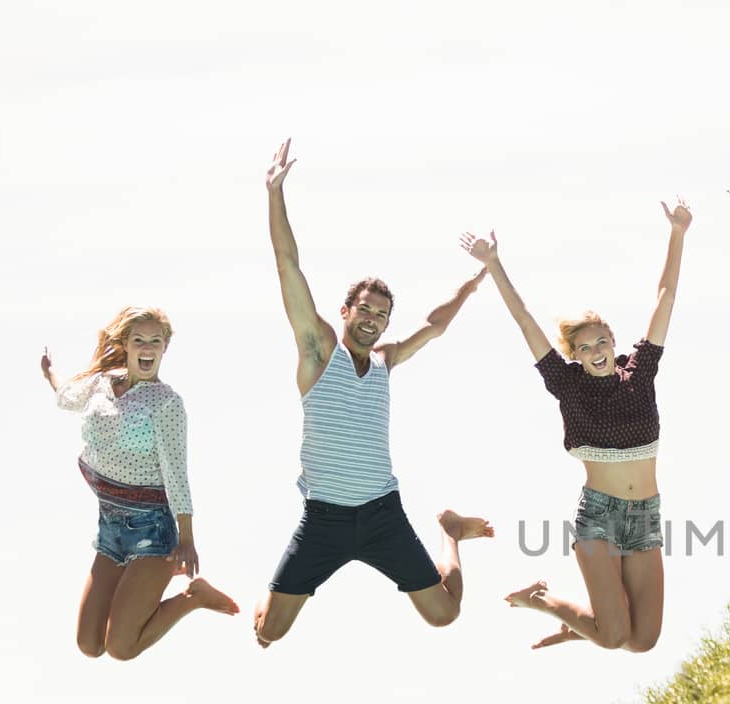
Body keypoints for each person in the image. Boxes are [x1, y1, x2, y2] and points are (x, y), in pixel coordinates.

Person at [254, 139, 492, 648]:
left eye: (381, 314)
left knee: (444, 615)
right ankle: (270, 605)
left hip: (383, 513)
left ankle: (448, 532)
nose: (372, 320)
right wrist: (275, 193)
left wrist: (472, 286)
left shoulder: (386, 360)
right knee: (267, 633)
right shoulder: (318, 352)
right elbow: (287, 265)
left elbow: (434, 325)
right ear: (345, 311)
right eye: (364, 310)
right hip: (324, 519)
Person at [459, 198, 691, 652]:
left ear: (613, 342)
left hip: (645, 514)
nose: (598, 350)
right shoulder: (567, 385)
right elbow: (524, 319)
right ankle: (543, 600)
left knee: (643, 641)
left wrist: (678, 232)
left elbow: (665, 298)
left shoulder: (639, 372)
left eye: (603, 341)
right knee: (615, 637)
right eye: (586, 347)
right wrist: (494, 262)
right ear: (575, 355)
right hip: (599, 516)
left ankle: (583, 625)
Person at [42, 306, 239, 659]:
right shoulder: (102, 385)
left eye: (155, 342)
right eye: (139, 341)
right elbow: (66, 398)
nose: (147, 348)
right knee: (89, 644)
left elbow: (177, 472)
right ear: (126, 345)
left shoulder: (166, 404)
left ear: (165, 348)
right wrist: (50, 373)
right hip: (110, 528)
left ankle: (193, 597)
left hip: (153, 530)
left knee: (121, 647)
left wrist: (187, 539)